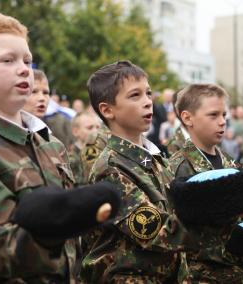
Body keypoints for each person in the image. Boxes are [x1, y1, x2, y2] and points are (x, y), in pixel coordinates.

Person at [0, 12, 118, 283]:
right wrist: (58, 225)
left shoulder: (49, 143)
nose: (24, 68)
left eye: (27, 60)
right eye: (8, 60)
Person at [81, 60, 202, 283]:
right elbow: (159, 233)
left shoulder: (152, 156)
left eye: (148, 93)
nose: (148, 102)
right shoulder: (111, 167)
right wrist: (222, 214)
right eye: (135, 96)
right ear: (107, 110)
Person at [169, 84, 243, 282]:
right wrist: (234, 208)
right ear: (187, 118)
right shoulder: (179, 167)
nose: (222, 122)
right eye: (213, 115)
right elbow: (182, 226)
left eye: (224, 115)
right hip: (200, 264)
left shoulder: (228, 161)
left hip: (232, 255)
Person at [69, 111, 101, 185]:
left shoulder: (104, 154)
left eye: (98, 127)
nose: (96, 131)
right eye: (90, 128)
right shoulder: (70, 160)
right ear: (75, 131)